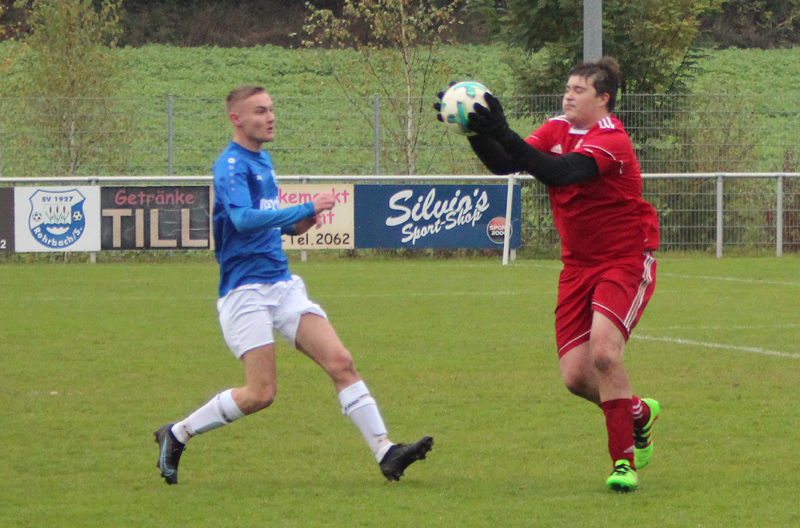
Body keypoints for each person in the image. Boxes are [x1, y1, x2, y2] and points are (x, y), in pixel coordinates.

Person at [155, 85, 433, 485]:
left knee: (341, 362)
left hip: (281, 284)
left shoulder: (263, 161)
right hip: (244, 290)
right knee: (260, 393)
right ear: (236, 119)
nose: (270, 117)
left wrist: (299, 224)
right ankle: (177, 434)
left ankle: (386, 452)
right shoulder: (230, 166)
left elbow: (270, 221)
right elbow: (243, 220)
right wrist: (305, 207)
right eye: (260, 111)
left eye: (271, 109)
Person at [436, 57, 660, 492]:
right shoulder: (557, 128)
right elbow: (505, 164)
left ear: (603, 98)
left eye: (580, 89)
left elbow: (559, 172)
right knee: (576, 378)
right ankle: (637, 413)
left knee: (605, 355)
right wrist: (475, 132)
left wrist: (500, 130)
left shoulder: (612, 140)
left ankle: (623, 464)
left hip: (625, 258)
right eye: (568, 87)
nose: (568, 94)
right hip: (577, 265)